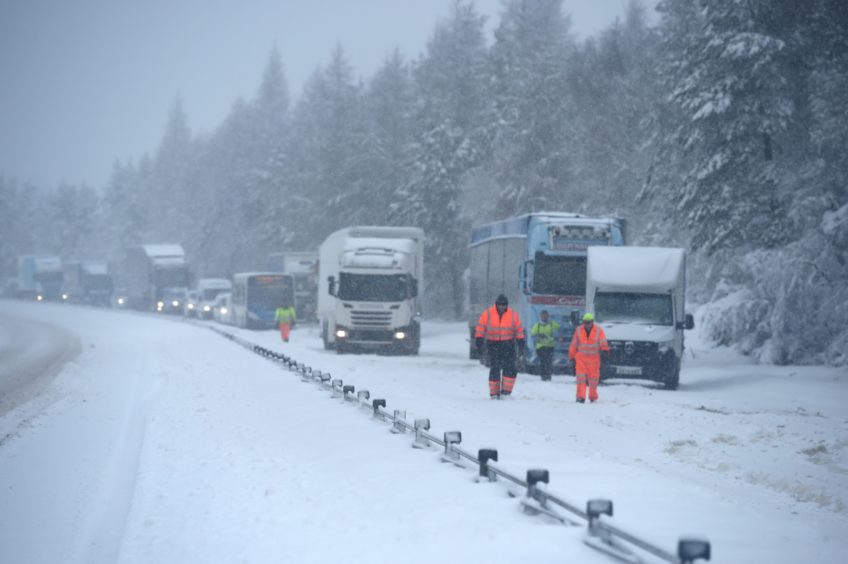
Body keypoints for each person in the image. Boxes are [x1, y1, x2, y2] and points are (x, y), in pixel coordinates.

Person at [475, 294, 525, 399]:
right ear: (496, 304)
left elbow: (519, 330)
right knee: (495, 368)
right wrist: (479, 341)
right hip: (493, 345)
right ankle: (494, 393)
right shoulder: (488, 314)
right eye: (500, 304)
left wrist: (521, 343)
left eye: (504, 305)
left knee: (510, 368)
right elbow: (480, 328)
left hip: (508, 345)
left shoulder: (513, 315)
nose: (502, 307)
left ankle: (506, 392)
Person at [568, 312, 609, 403]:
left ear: (592, 322)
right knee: (581, 379)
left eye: (588, 322)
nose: (586, 324)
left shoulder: (598, 330)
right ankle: (580, 397)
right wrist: (571, 356)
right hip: (581, 359)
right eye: (585, 322)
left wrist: (605, 350)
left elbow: (603, 342)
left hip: (594, 360)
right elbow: (574, 345)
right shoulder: (579, 330)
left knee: (593, 380)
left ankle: (593, 396)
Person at [530, 310, 560, 382]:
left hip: (550, 346)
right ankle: (543, 376)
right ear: (540, 316)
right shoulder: (537, 325)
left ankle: (548, 376)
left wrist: (555, 337)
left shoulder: (553, 324)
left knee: (548, 362)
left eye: (545, 315)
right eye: (542, 315)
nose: (544, 317)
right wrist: (539, 337)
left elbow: (559, 331)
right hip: (540, 347)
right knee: (543, 362)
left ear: (548, 316)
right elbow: (533, 335)